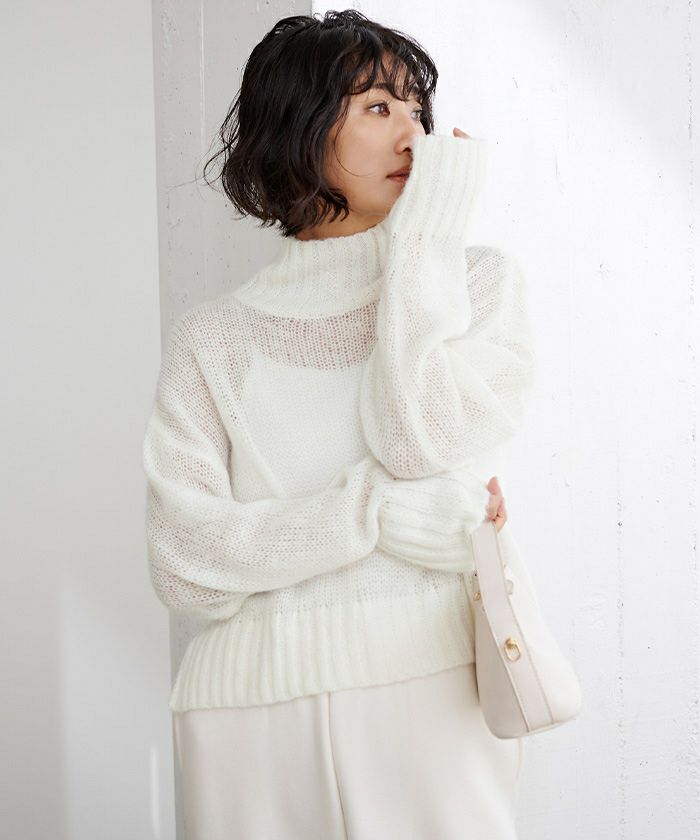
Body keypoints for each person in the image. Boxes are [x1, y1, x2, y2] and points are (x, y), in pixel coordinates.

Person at [142, 9, 537, 839]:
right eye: (378, 107)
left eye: (417, 109)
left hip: (429, 688)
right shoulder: (214, 339)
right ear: (300, 124)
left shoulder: (476, 286)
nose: (414, 135)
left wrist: (425, 243)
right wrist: (374, 513)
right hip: (244, 712)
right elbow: (185, 565)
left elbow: (418, 440)